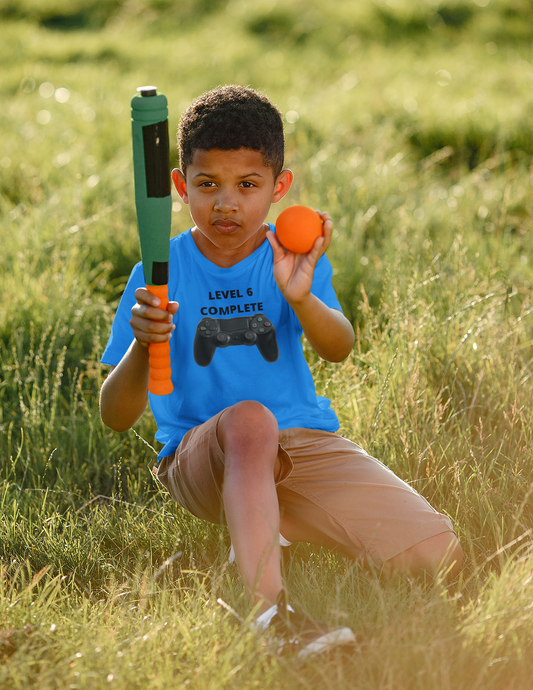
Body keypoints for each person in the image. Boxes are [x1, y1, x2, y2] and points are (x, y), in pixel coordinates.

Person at [99, 85, 462, 657]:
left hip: (301, 442)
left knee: (435, 552)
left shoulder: (288, 260)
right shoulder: (158, 270)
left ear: (278, 188)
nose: (226, 204)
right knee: (248, 420)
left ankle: (266, 530)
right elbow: (116, 415)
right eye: (207, 185)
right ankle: (270, 613)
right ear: (179, 185)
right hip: (206, 457)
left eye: (247, 186)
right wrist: (143, 345)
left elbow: (339, 347)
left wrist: (301, 299)